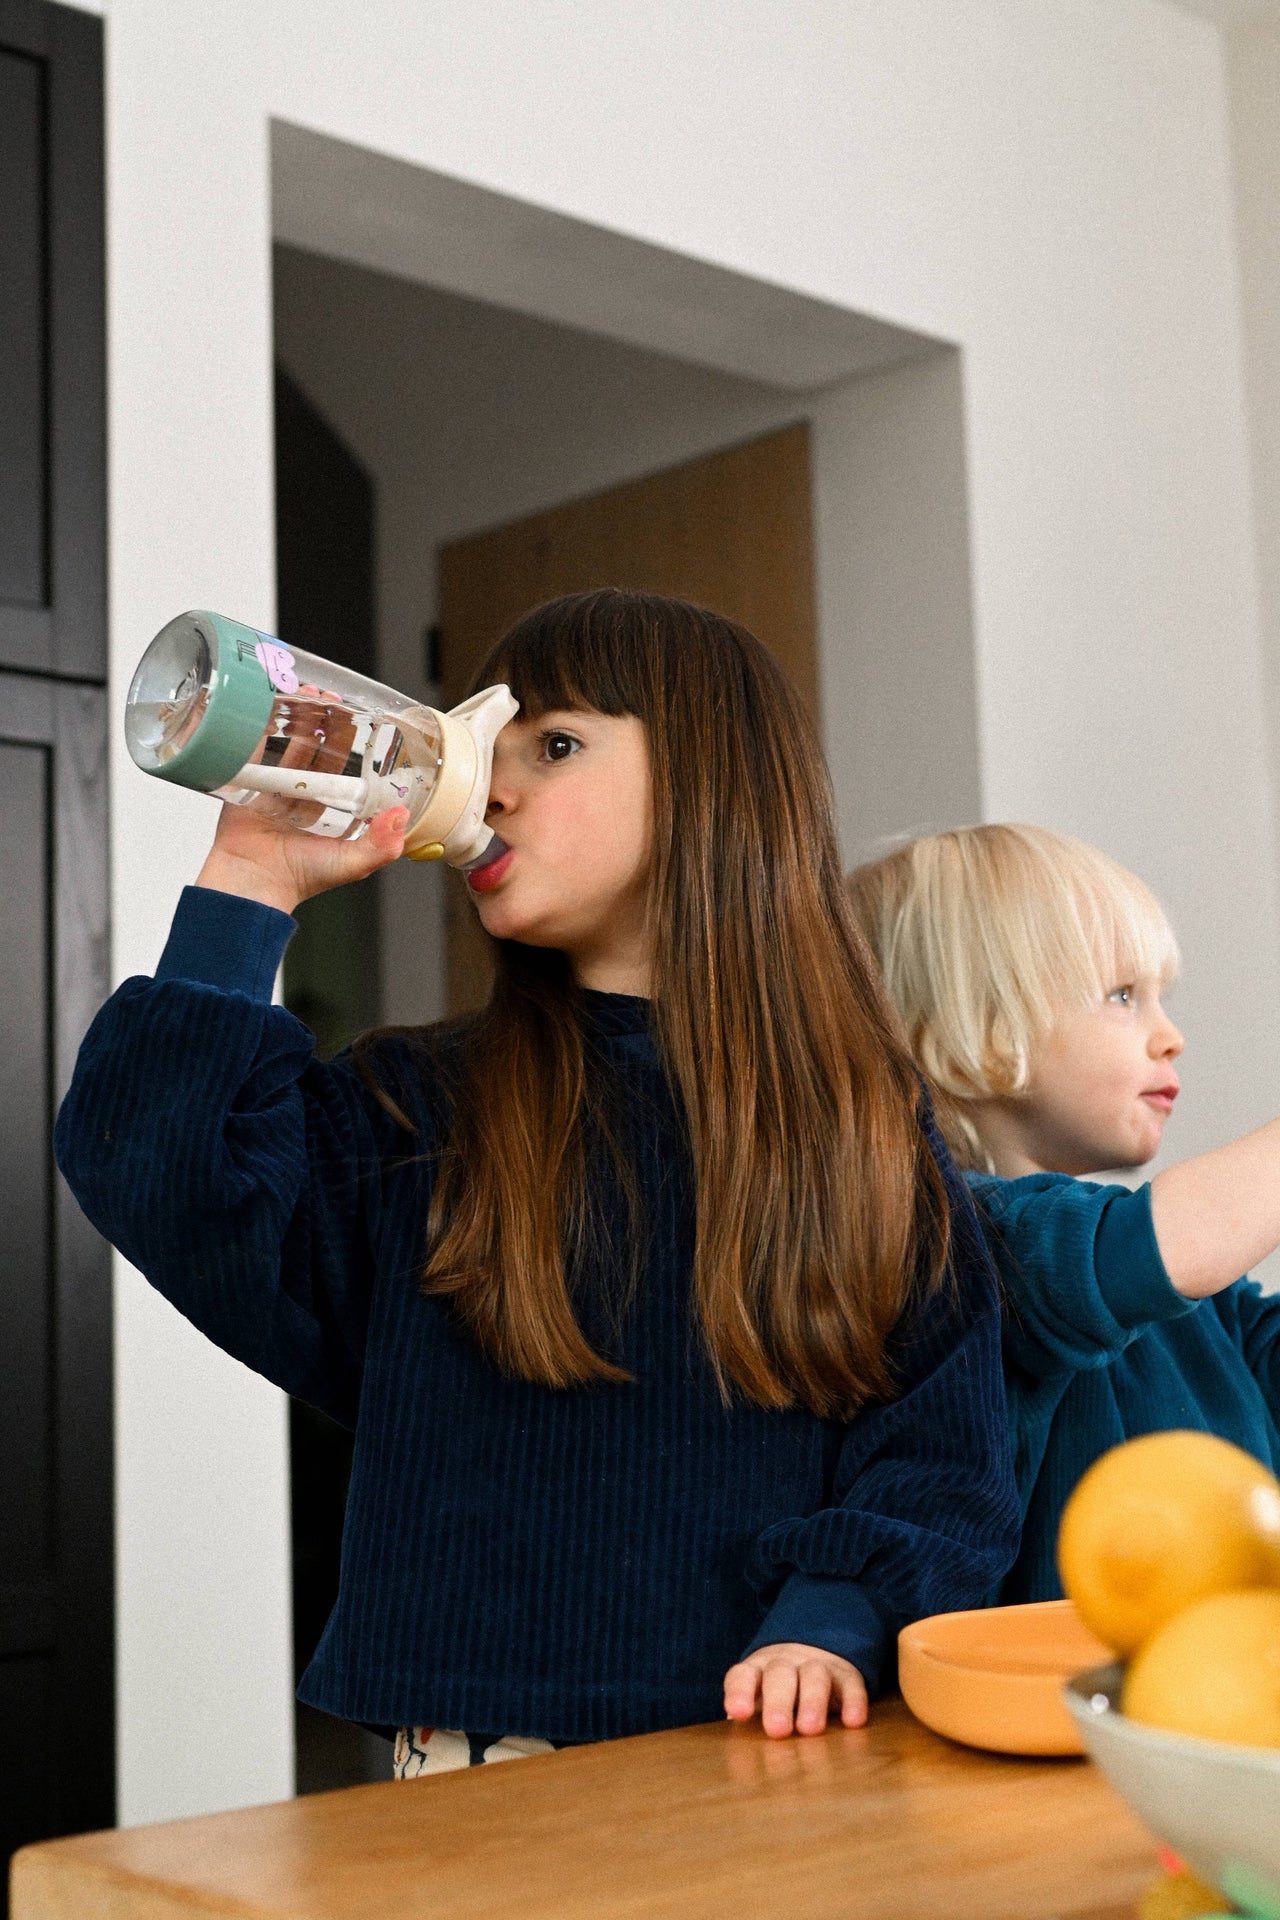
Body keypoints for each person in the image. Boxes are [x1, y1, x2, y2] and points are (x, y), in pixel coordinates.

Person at [56, 591, 1018, 1772]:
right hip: (472, 1757)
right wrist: (249, 882)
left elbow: (938, 1447)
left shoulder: (854, 1128)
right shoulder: (415, 1106)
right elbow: (159, 1166)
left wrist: (831, 1621)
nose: (489, 788)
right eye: (481, 750)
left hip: (770, 1739)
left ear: (716, 785)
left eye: (552, 745)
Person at [846, 823, 1280, 1604]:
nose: (1171, 1037)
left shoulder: (1198, 1303)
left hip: (1213, 1687)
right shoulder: (972, 1245)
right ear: (975, 1026)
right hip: (1046, 1707)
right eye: (1123, 997)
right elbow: (1157, 1248)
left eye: (1160, 998)